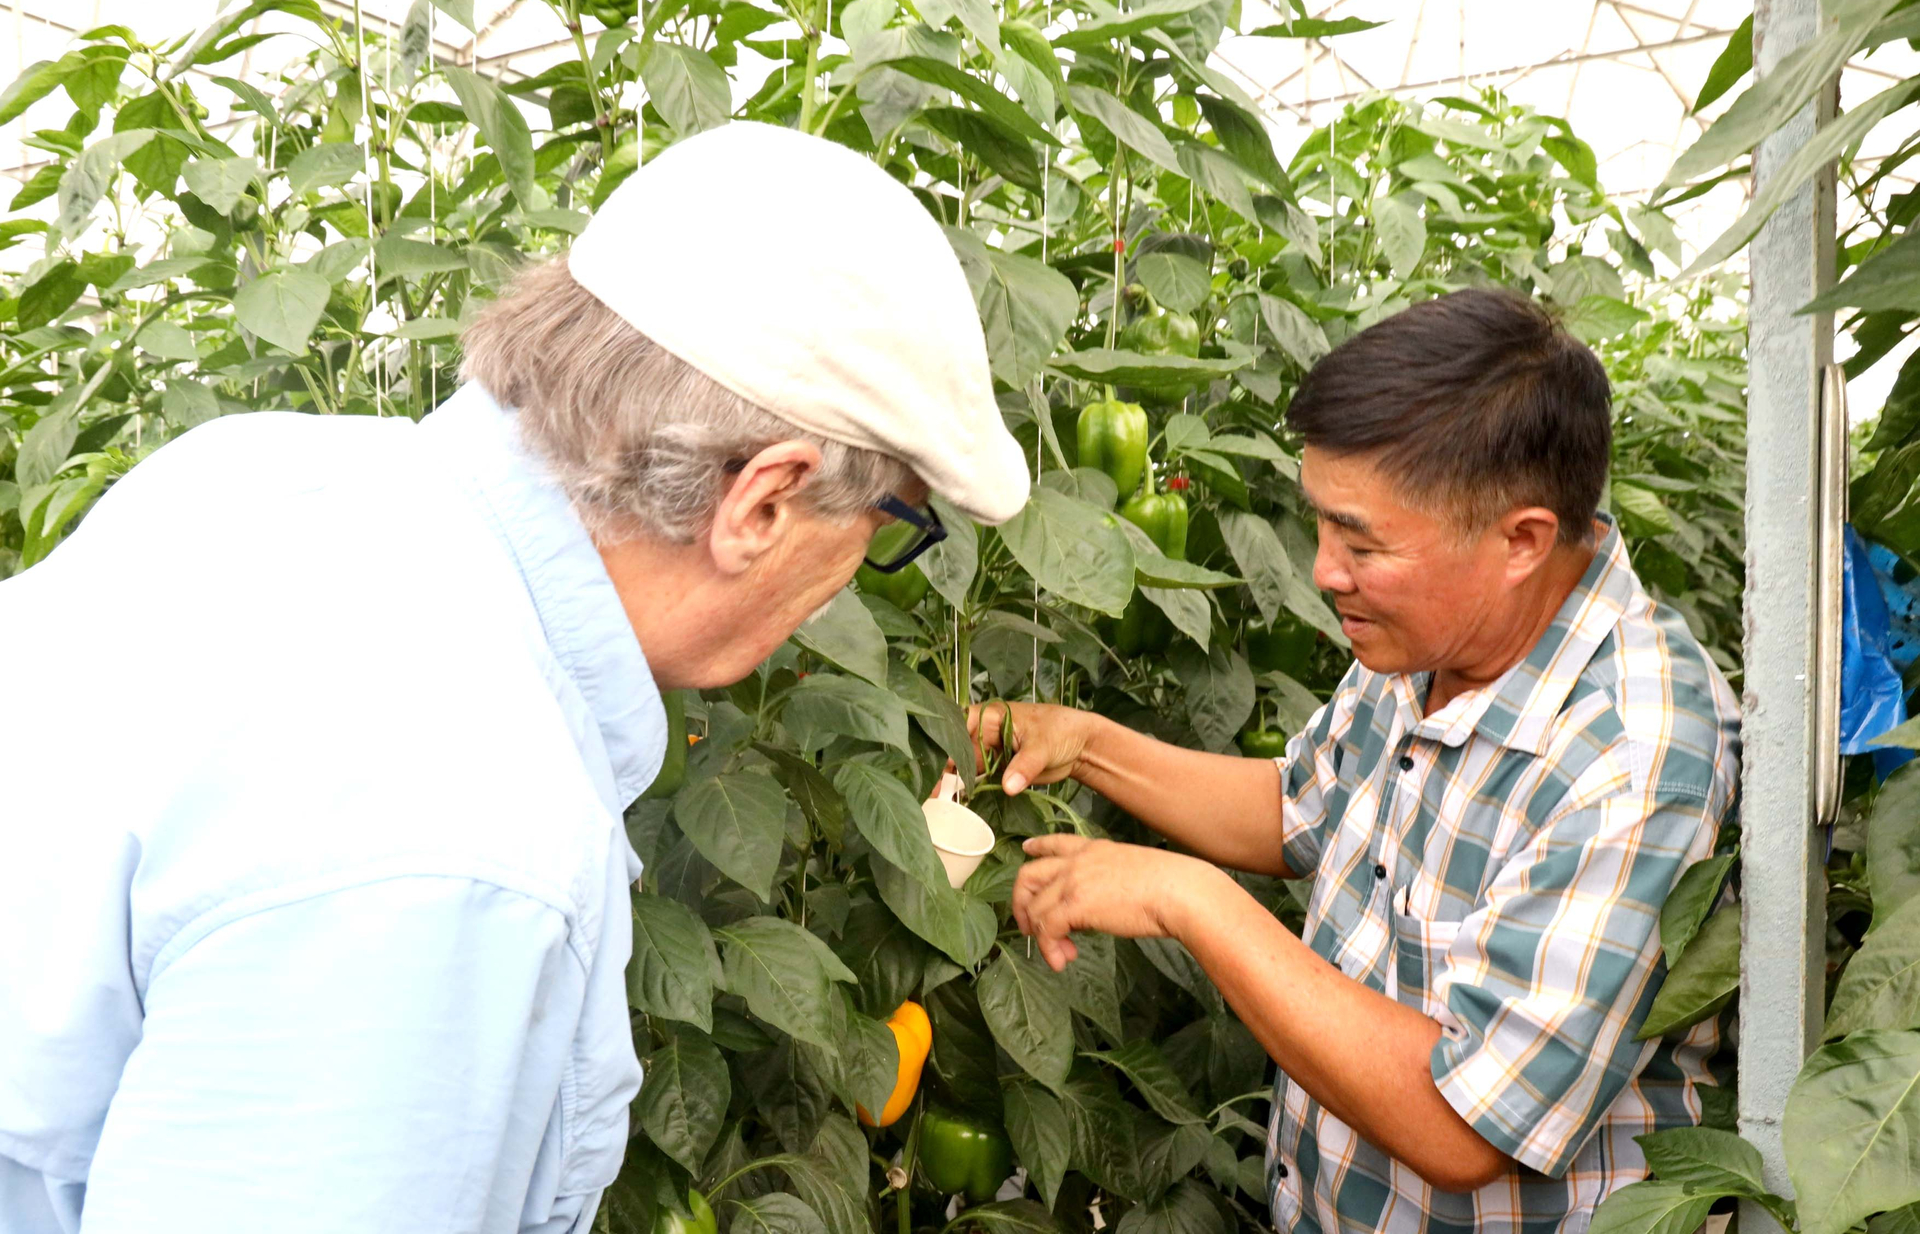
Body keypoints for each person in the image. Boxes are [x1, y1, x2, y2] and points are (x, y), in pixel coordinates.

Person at [0, 122, 1028, 1233]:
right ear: (765, 498)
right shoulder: (462, 828)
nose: (851, 582)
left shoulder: (266, 471)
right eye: (895, 522)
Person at [971, 288, 1740, 1233]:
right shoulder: (1430, 634)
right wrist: (1085, 743)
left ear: (1521, 540)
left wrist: (1192, 899)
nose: (1324, 570)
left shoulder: (1631, 749)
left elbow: (1467, 1123)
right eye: (1323, 525)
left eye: (1362, 541)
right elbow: (1301, 805)